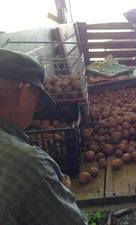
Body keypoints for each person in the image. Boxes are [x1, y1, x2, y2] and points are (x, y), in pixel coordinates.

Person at [0, 49, 87, 225]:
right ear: (24, 91)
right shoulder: (30, 166)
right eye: (38, 97)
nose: (37, 106)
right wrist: (58, 191)